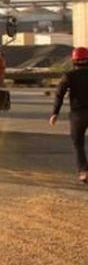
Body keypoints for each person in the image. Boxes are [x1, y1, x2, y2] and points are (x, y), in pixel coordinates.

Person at [50, 46, 88, 183]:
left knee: (78, 144)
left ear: (74, 61)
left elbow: (59, 94)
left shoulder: (69, 76)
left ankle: (84, 171)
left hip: (78, 115)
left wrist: (55, 113)